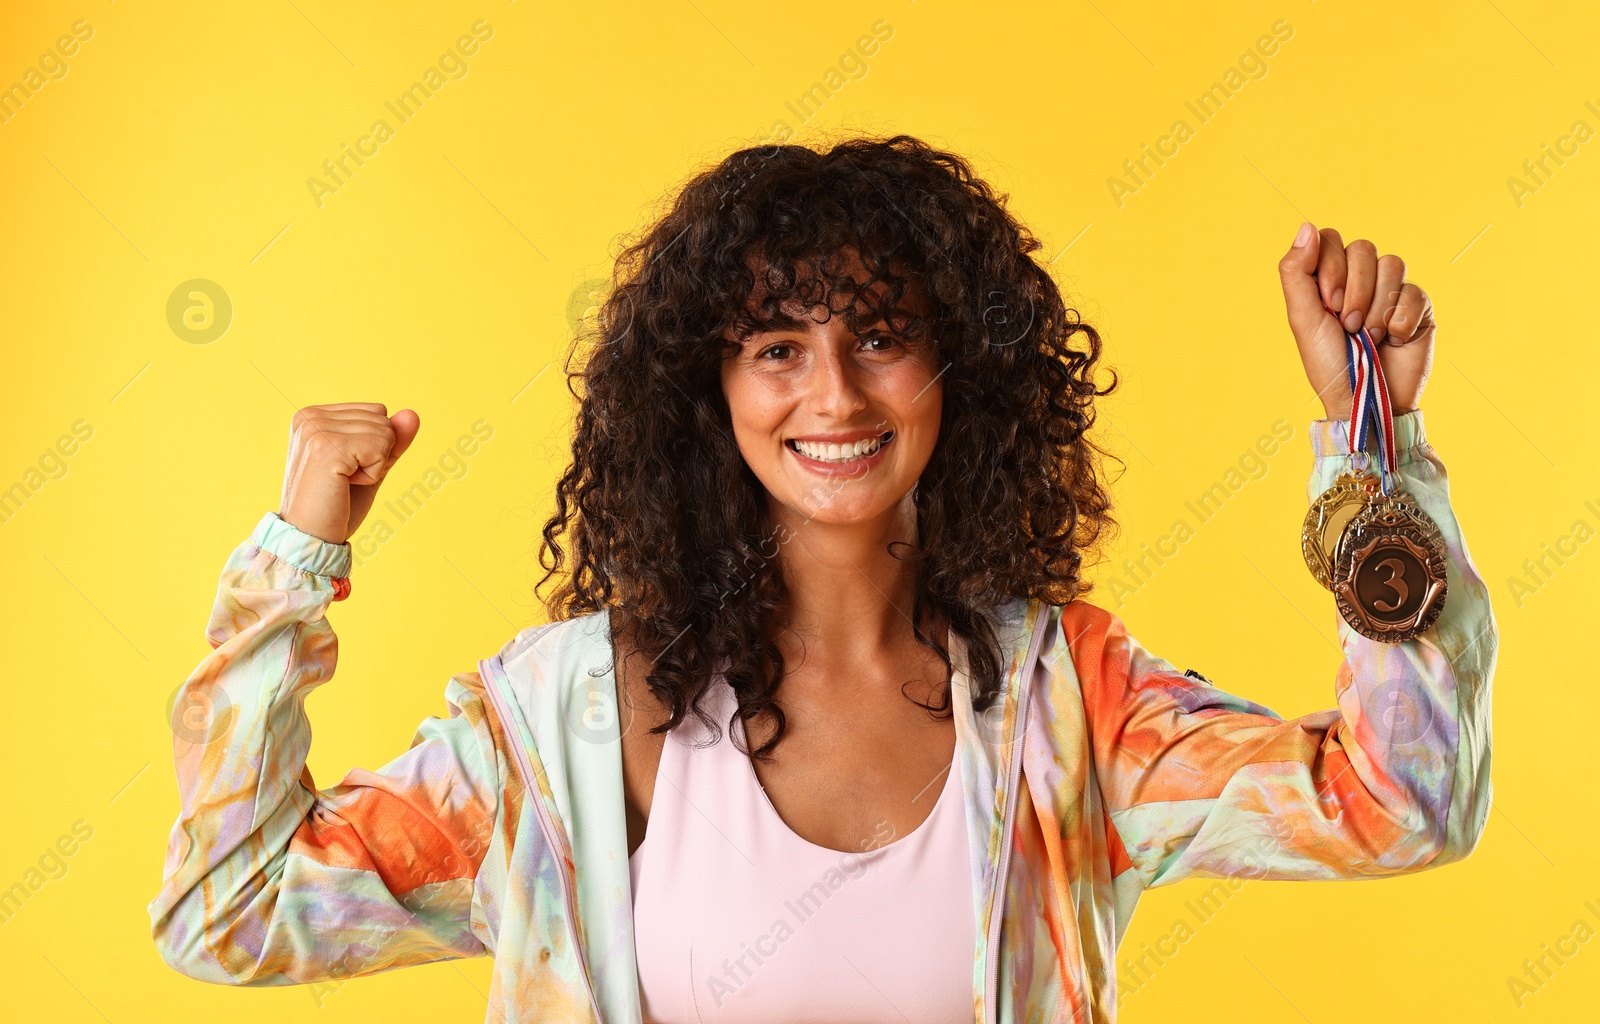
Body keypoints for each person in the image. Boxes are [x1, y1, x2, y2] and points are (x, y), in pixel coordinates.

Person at [147, 135, 1494, 1023]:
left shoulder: (1066, 712)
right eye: (777, 347)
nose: (834, 393)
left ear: (959, 369)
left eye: (883, 338)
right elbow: (232, 911)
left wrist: (1371, 453)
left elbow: (1402, 805)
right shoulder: (566, 726)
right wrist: (291, 563)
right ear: (709, 387)